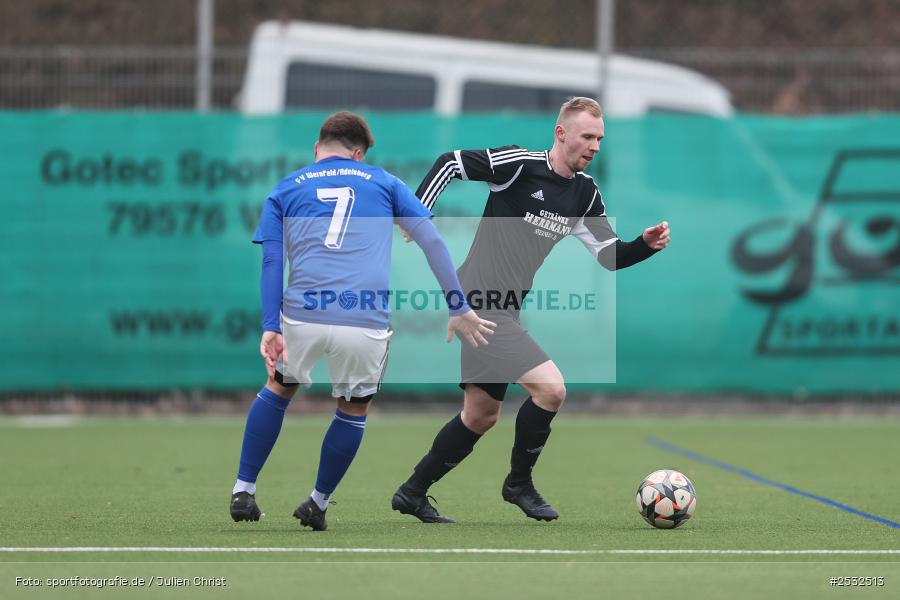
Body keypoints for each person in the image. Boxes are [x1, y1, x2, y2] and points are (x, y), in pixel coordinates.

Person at [391, 97, 670, 523]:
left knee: (480, 415)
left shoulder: (585, 193)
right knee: (551, 389)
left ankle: (412, 492)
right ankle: (518, 484)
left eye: (599, 139)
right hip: (480, 302)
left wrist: (644, 246)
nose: (595, 146)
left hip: (505, 308)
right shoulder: (519, 165)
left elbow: (610, 256)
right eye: (587, 137)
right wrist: (418, 213)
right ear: (561, 133)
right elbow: (450, 163)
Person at [230, 111, 495, 531]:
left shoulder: (286, 187)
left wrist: (271, 325)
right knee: (353, 409)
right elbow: (431, 241)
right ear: (359, 153)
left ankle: (243, 490)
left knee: (279, 388)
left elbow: (271, 260)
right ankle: (317, 502)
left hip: (303, 314)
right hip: (363, 317)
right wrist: (458, 305)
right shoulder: (384, 182)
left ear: (317, 148)